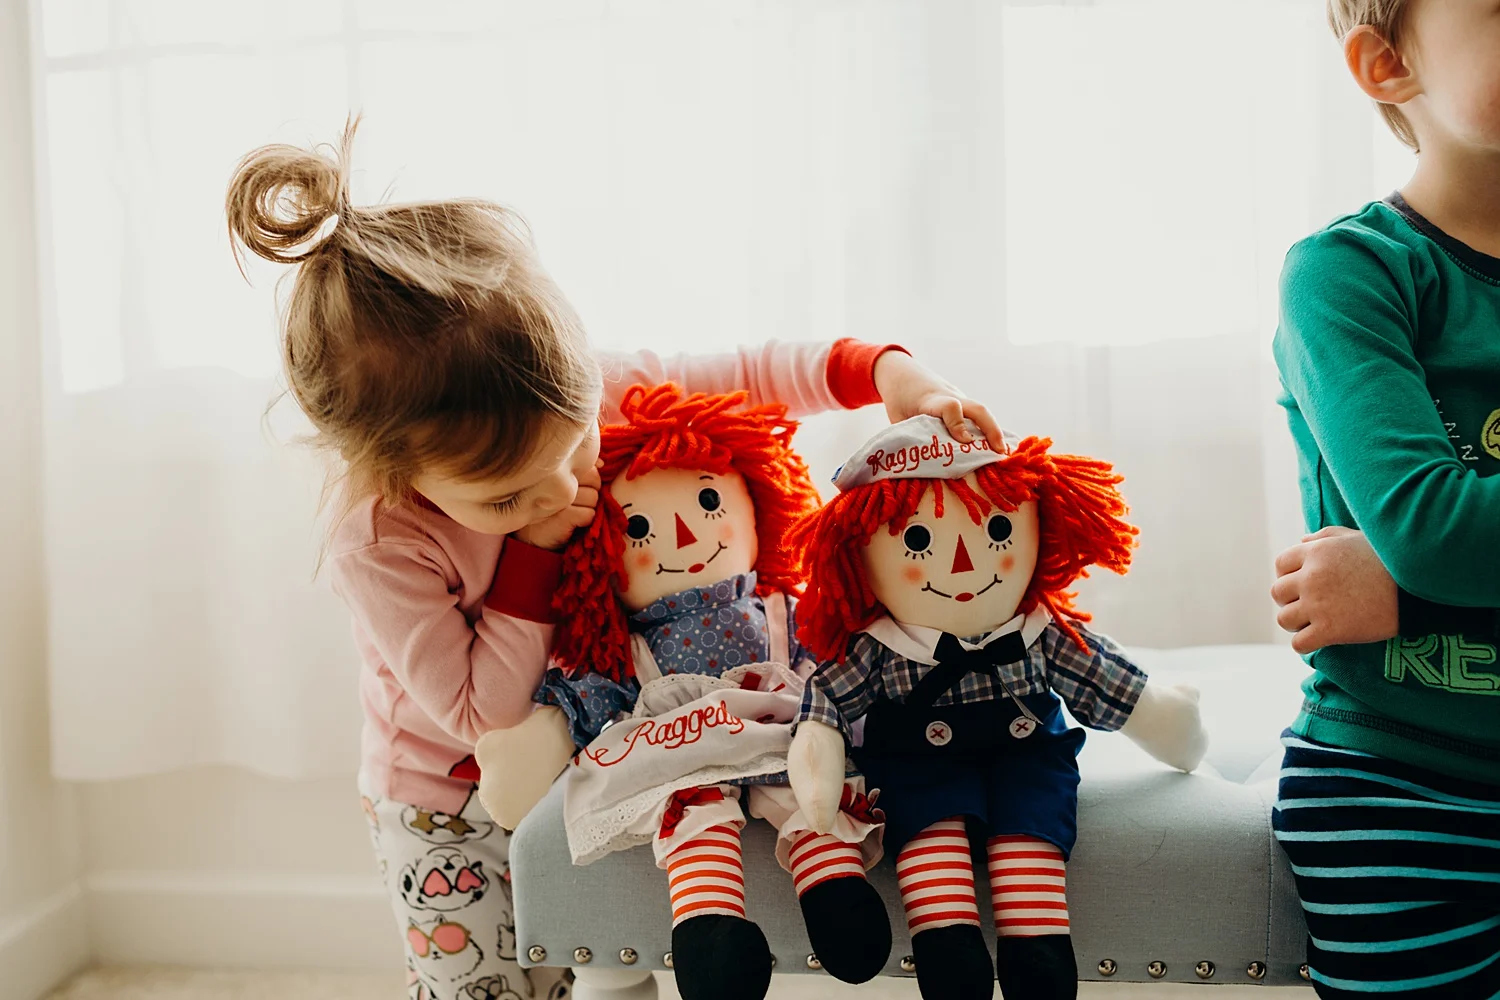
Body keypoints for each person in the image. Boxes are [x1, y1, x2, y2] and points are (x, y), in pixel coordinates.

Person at [224, 118, 1001, 1000]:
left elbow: (756, 373)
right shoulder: (381, 538)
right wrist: (534, 550)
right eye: (508, 498)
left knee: (611, 960)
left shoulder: (591, 385)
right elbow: (480, 711)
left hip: (593, 752)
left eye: (575, 447)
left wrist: (891, 374)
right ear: (393, 473)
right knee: (488, 991)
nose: (562, 491)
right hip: (446, 803)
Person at [1266, 2, 1500, 994]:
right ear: (1387, 64)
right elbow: (1434, 533)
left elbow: (1428, 556)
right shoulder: (1350, 273)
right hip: (1402, 787)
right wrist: (1426, 568)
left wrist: (1406, 590)